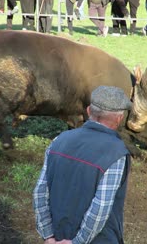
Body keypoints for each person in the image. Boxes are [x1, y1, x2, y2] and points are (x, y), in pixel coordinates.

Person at [34, 85, 132, 244]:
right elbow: (100, 208)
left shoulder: (59, 141)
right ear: (119, 119)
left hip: (57, 236)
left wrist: (48, 237)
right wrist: (77, 242)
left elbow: (40, 192)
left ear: (88, 111)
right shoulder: (116, 153)